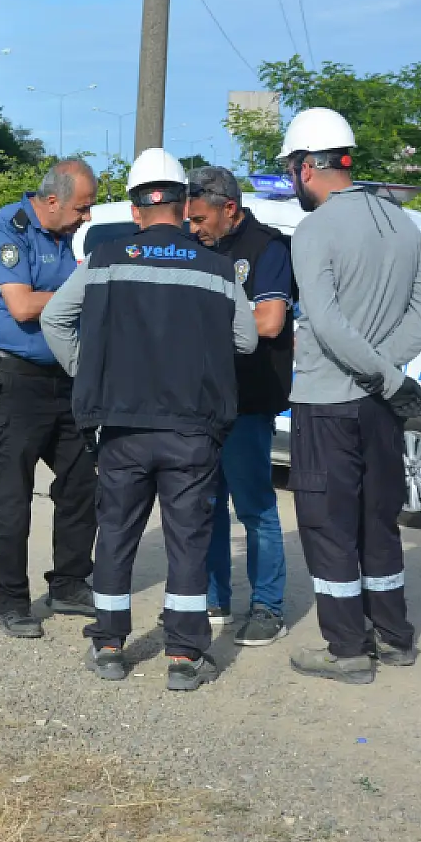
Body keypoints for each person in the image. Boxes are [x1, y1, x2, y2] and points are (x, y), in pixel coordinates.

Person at [42, 148, 258, 691]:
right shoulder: (216, 267)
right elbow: (246, 340)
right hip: (192, 430)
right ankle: (184, 658)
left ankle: (110, 646)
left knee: (115, 534)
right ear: (185, 206)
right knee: (188, 539)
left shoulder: (105, 261)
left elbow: (54, 318)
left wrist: (87, 374)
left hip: (120, 428)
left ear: (136, 210)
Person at [276, 108, 421, 685]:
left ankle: (347, 648)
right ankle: (394, 638)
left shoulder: (315, 229)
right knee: (379, 520)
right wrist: (388, 366)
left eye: (291, 170)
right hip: (378, 406)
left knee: (328, 525)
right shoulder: (401, 222)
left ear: (305, 167)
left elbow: (321, 320)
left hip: (327, 403)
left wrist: (378, 371)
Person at [0, 159, 99, 640]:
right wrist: (85, 291)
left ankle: (69, 582)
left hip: (66, 378)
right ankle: (11, 600)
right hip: (12, 379)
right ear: (51, 201)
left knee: (84, 481)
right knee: (10, 495)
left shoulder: (70, 237)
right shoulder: (9, 227)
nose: (86, 217)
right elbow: (22, 305)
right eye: (81, 208)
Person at [185, 167, 295, 647]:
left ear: (229, 208)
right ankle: (214, 598)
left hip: (248, 400)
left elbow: (269, 321)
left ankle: (268, 607)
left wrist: (202, 320)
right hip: (201, 400)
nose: (193, 228)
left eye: (201, 218)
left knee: (255, 509)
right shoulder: (197, 249)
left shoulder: (268, 248)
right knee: (206, 507)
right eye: (188, 219)